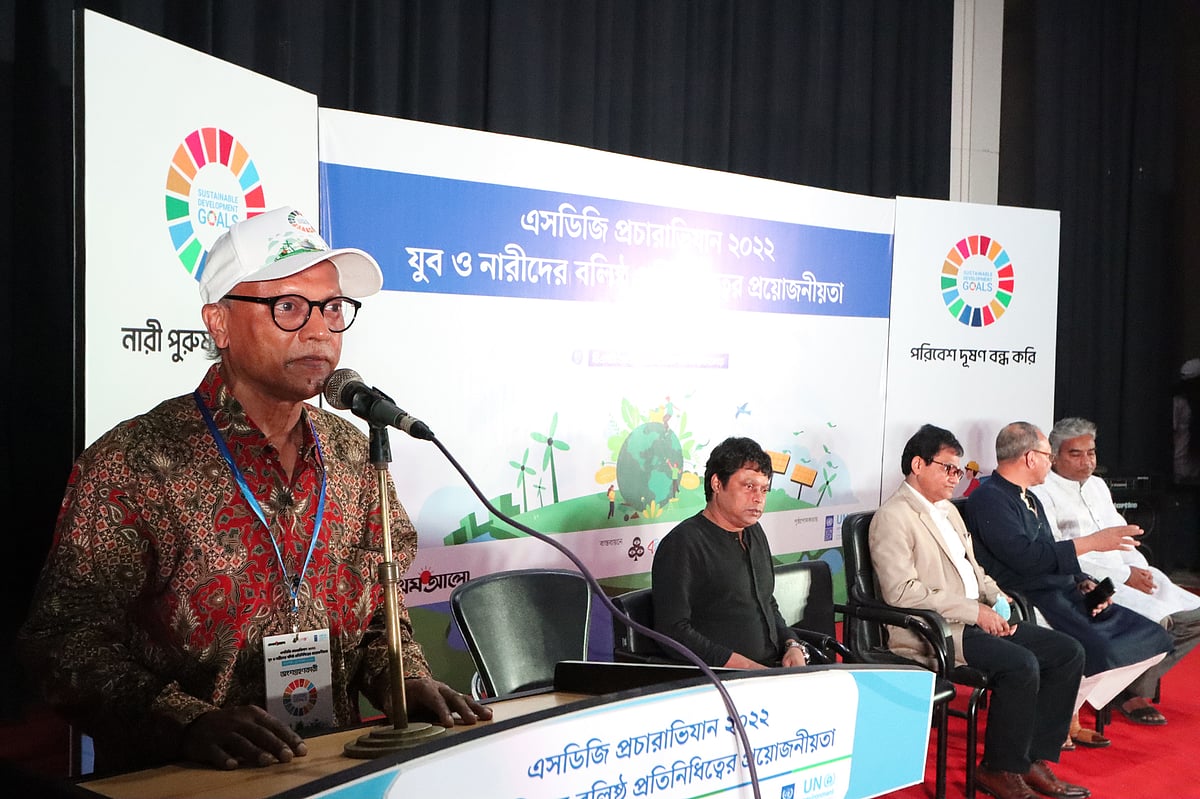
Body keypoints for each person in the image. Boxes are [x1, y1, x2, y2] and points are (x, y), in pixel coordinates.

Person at [18, 207, 490, 773]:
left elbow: (376, 619)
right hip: (187, 782)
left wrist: (403, 679)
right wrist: (185, 722)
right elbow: (63, 641)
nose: (320, 329)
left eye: (332, 308)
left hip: (326, 772)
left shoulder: (354, 453)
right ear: (219, 323)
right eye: (288, 306)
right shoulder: (136, 461)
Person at [871, 424, 1088, 799]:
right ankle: (998, 769)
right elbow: (901, 591)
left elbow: (974, 569)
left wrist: (995, 595)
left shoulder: (949, 511)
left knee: (1067, 652)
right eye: (948, 468)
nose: (955, 478)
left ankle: (1030, 759)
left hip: (976, 618)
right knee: (1020, 664)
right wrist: (974, 610)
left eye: (959, 471)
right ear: (918, 465)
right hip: (936, 630)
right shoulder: (894, 517)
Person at [966, 421, 1172, 748]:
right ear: (1030, 458)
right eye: (1048, 456)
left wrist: (1086, 582)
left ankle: (1067, 712)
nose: (1051, 463)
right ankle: (1061, 721)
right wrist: (1091, 543)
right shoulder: (989, 498)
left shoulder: (1029, 497)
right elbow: (1025, 558)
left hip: (1062, 587)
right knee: (1099, 648)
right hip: (1029, 594)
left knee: (1152, 637)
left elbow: (1051, 548)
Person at [1033, 417, 1200, 726]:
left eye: (1091, 453)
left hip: (1126, 571)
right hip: (1092, 581)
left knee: (1194, 616)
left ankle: (1126, 686)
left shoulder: (1097, 486)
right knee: (1159, 622)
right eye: (1076, 454)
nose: (1087, 461)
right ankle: (1128, 693)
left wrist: (1138, 569)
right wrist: (1125, 577)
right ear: (1054, 457)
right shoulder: (1042, 492)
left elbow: (1121, 534)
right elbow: (1061, 554)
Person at [651, 436, 810, 669]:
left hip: (771, 669)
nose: (758, 498)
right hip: (719, 678)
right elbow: (672, 631)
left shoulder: (754, 532)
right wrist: (742, 666)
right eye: (748, 486)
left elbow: (765, 602)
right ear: (717, 484)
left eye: (764, 489)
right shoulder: (683, 543)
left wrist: (791, 643)